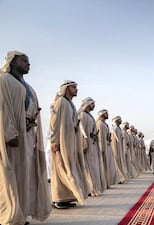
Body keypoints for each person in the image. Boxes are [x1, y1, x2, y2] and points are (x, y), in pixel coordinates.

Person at [0, 51, 51, 224]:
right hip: (13, 138)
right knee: (11, 177)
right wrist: (9, 133)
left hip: (28, 135)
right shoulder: (4, 81)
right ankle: (10, 216)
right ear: (12, 62)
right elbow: (2, 110)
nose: (28, 64)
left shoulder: (27, 86)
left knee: (26, 177)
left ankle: (20, 215)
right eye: (24, 61)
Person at [49, 80, 89, 209]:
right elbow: (53, 122)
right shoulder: (61, 102)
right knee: (61, 168)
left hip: (69, 142)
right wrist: (54, 140)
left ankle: (66, 197)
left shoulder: (69, 103)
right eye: (74, 87)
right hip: (61, 142)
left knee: (68, 169)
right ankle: (58, 199)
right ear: (66, 89)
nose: (76, 89)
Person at [78, 97, 105, 196]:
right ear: (87, 104)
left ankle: (93, 188)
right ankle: (90, 189)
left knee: (93, 167)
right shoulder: (82, 115)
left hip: (92, 144)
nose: (94, 105)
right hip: (87, 145)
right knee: (87, 167)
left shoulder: (89, 116)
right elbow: (81, 131)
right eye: (92, 103)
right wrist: (83, 143)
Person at [96, 109, 119, 188]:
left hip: (107, 146)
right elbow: (100, 137)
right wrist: (102, 148)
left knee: (108, 166)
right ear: (101, 114)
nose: (107, 114)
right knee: (104, 165)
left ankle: (107, 182)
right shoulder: (99, 124)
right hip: (104, 147)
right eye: (106, 113)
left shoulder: (104, 124)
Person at [111, 116, 128, 183]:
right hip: (116, 149)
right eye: (120, 120)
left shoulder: (119, 129)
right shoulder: (114, 128)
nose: (121, 121)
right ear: (117, 120)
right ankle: (119, 178)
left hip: (120, 149)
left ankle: (121, 177)